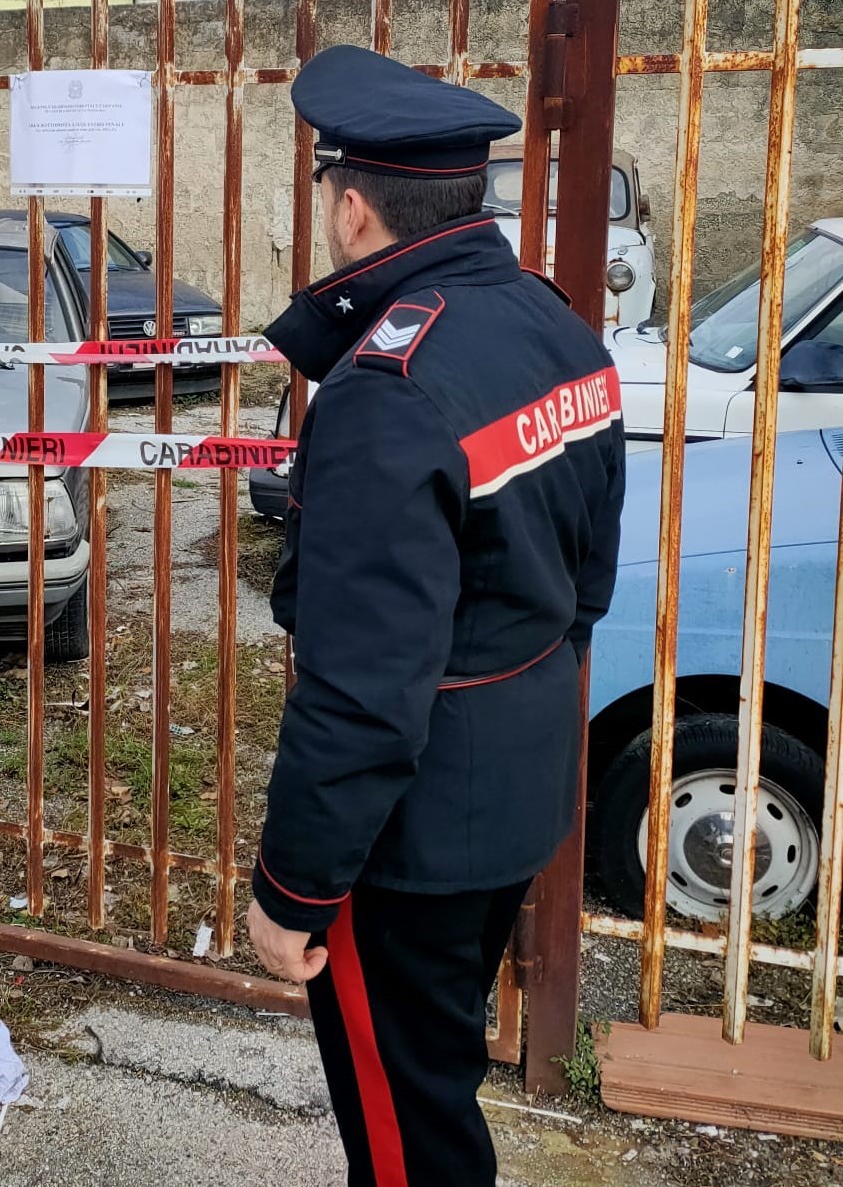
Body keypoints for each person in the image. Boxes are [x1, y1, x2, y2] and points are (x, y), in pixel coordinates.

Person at [244, 46, 625, 1187]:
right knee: (435, 1078)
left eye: (325, 189)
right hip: (516, 785)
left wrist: (292, 890)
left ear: (352, 208)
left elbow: (362, 690)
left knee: (407, 1131)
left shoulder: (388, 390)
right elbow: (587, 582)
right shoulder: (554, 324)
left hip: (409, 843)